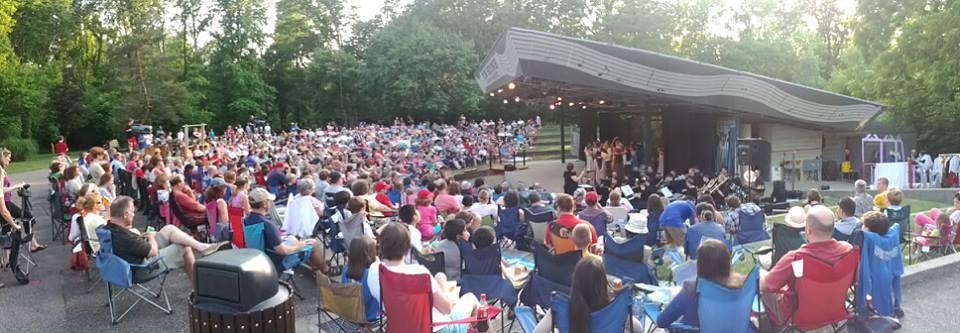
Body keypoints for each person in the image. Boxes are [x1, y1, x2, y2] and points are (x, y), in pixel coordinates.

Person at [367, 223, 482, 333]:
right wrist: (441, 282)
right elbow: (447, 309)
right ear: (408, 246)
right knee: (471, 299)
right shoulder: (419, 273)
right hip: (437, 329)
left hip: (400, 328)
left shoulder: (375, 270)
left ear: (380, 245)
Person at [761, 205, 854, 326]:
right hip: (834, 311)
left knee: (760, 279)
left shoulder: (795, 257)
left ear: (808, 230)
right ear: (833, 228)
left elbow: (766, 286)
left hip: (799, 317)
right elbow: (853, 281)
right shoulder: (848, 251)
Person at [104, 196, 224, 283]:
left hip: (127, 263)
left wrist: (142, 237)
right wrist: (151, 236)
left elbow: (128, 246)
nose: (134, 215)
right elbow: (153, 252)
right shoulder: (125, 237)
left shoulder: (108, 228)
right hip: (142, 269)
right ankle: (199, 287)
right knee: (183, 247)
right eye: (132, 212)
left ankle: (203, 247)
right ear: (125, 215)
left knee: (169, 229)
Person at [532, 255, 641, 333]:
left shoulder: (561, 308)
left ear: (575, 281)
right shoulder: (616, 310)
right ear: (603, 282)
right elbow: (638, 329)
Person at [657, 239, 747, 330]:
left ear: (700, 264)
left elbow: (662, 321)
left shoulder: (691, 290)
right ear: (728, 261)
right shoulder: (745, 285)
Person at [242, 188, 327, 271]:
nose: (271, 203)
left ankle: (316, 266)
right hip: (276, 262)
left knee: (292, 238)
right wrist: (299, 246)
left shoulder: (247, 220)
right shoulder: (267, 224)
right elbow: (283, 251)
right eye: (269, 201)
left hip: (260, 258)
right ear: (265, 204)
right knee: (313, 244)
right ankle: (325, 270)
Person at [341, 236, 381, 322]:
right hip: (372, 316)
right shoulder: (371, 273)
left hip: (350, 314)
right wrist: (378, 264)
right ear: (370, 254)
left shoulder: (345, 270)